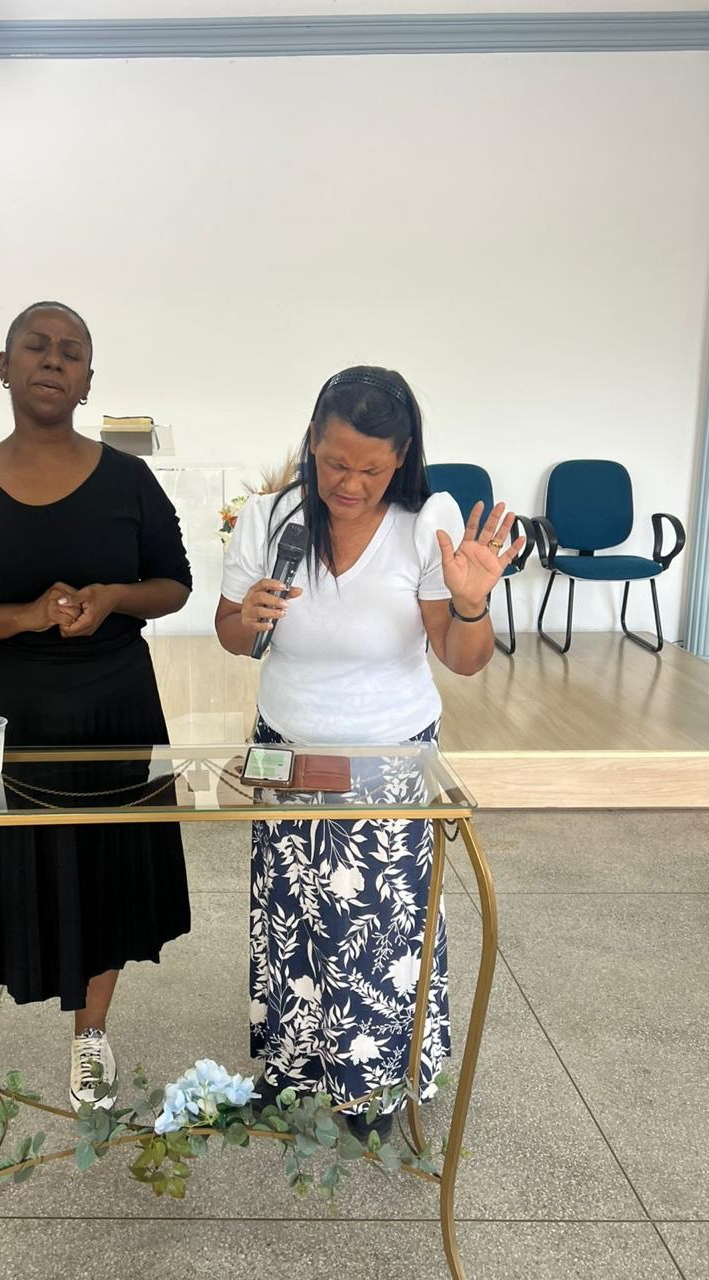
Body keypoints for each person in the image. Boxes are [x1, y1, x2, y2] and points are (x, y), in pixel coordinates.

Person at [0, 301, 192, 1115]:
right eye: (36, 347)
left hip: (114, 705)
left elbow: (174, 583)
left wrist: (114, 597)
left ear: (89, 380)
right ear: (4, 366)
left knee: (105, 869)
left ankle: (90, 1034)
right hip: (5, 714)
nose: (53, 361)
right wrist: (28, 615)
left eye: (71, 352)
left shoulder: (128, 480)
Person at [216, 366, 523, 1139]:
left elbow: (462, 658)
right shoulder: (270, 518)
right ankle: (292, 1069)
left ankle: (375, 1085)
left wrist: (471, 602)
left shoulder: (427, 523)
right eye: (334, 463)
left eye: (371, 470)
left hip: (391, 756)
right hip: (286, 750)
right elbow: (230, 633)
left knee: (377, 930)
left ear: (403, 458)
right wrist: (246, 617)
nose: (349, 485)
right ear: (311, 442)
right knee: (293, 918)